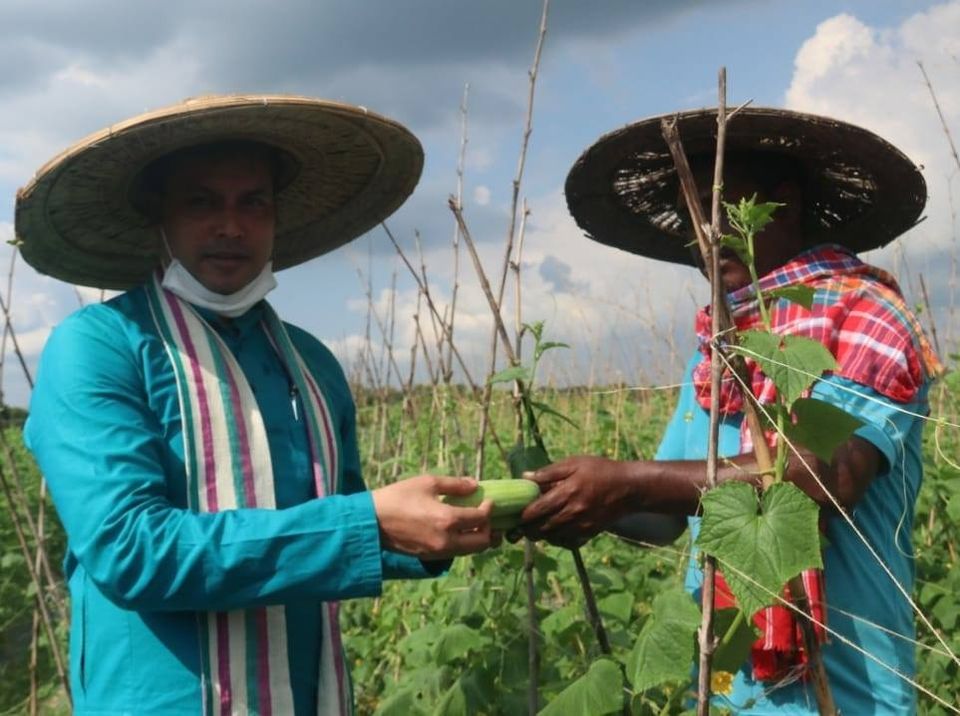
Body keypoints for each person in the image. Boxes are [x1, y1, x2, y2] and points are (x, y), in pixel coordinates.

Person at [20, 95, 497, 715]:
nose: (230, 225)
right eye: (200, 201)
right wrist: (368, 522)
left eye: (254, 202)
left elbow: (339, 522)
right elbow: (128, 550)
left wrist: (447, 528)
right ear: (156, 216)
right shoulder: (99, 347)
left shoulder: (310, 364)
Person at [522, 108, 941, 713]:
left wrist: (625, 483)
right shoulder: (721, 352)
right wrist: (561, 500)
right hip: (731, 689)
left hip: (846, 693)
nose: (704, 239)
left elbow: (822, 475)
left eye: (719, 214)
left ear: (783, 204)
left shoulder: (864, 315)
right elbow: (665, 514)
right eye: (692, 223)